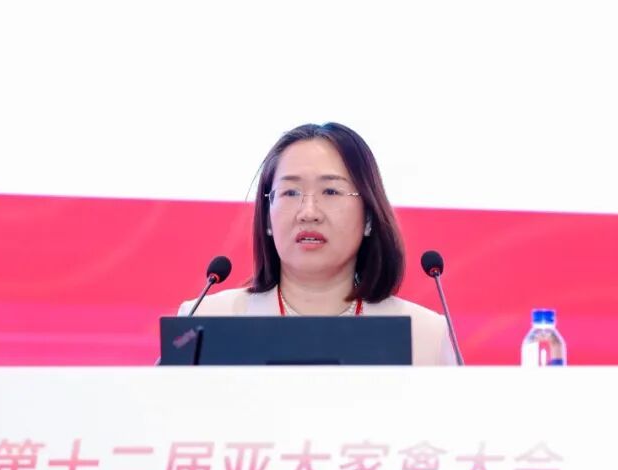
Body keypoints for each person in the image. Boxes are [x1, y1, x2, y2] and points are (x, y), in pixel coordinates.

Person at [178, 122, 457, 366]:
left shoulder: (424, 335)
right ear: (267, 218)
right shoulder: (204, 322)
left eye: (331, 191)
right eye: (290, 192)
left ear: (369, 217)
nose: (308, 212)